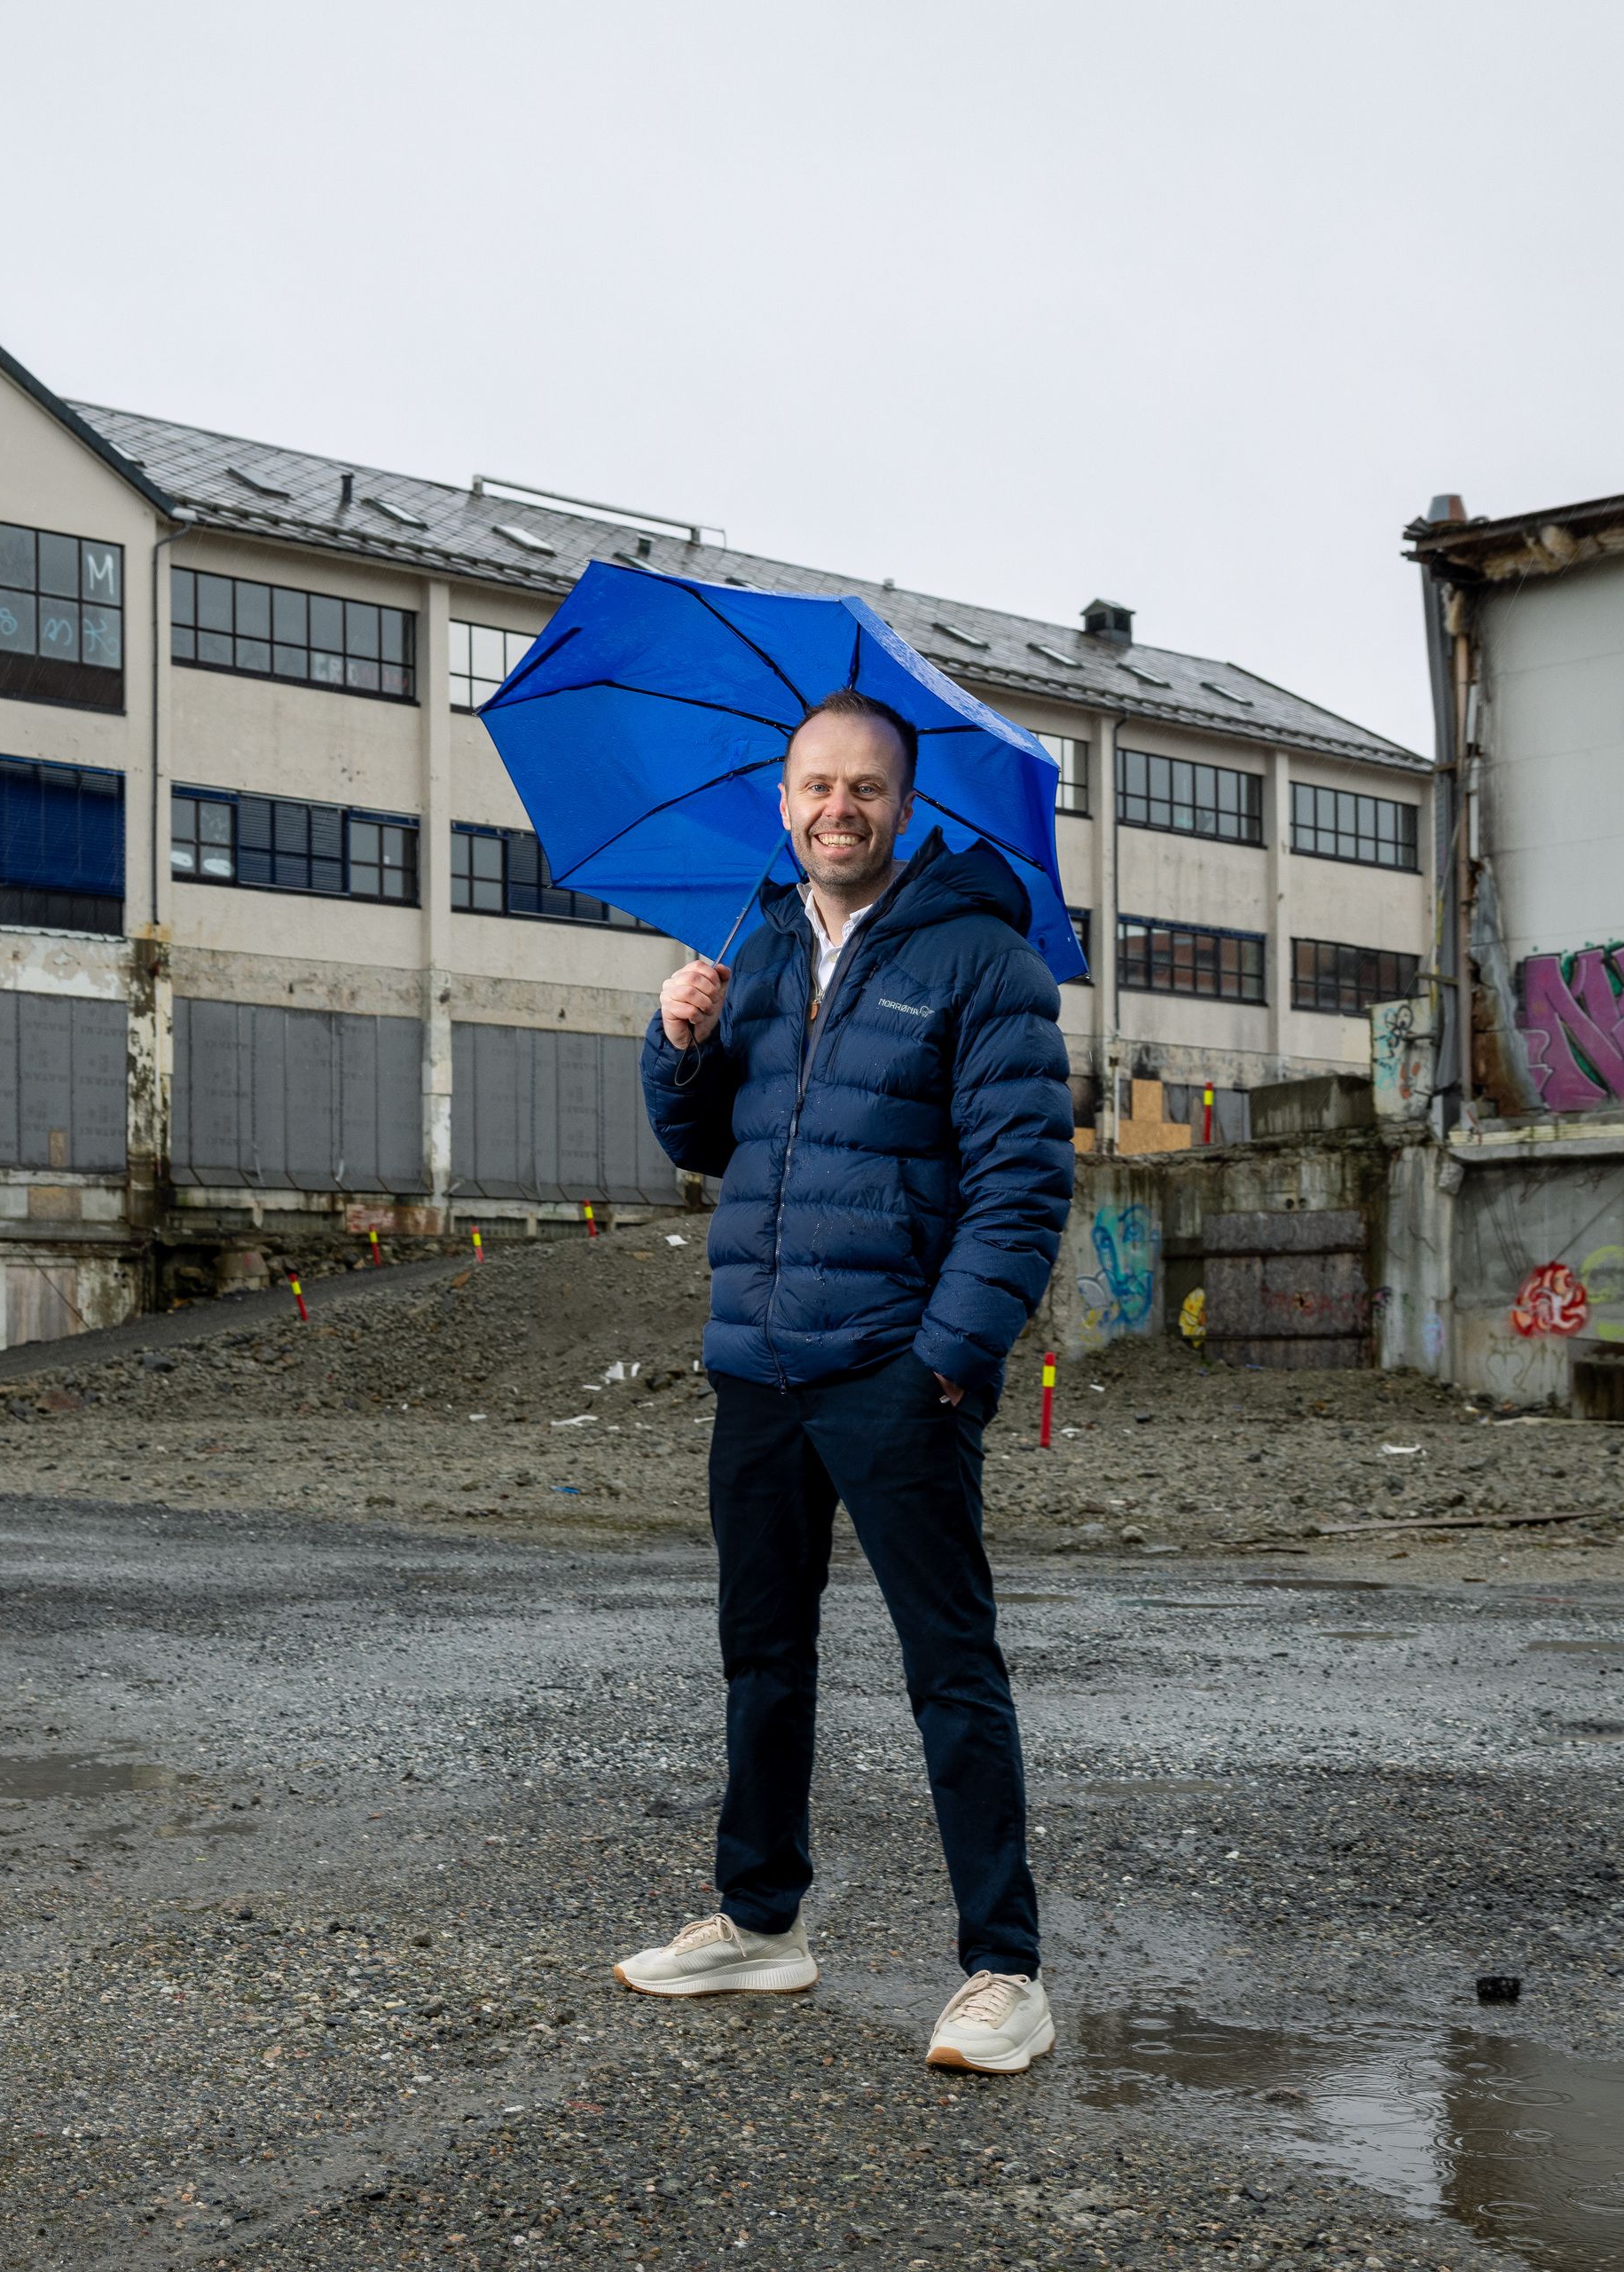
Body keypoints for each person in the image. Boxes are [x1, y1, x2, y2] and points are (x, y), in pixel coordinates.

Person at [612, 687, 1076, 2075]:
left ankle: (1005, 1969)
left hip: (894, 1369)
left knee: (950, 1666)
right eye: (817, 785)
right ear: (785, 799)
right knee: (763, 1653)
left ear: (906, 803)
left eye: (865, 787)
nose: (838, 808)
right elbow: (705, 1140)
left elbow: (1024, 1180)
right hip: (759, 1364)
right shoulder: (754, 945)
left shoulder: (981, 959)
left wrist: (948, 1357)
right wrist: (675, 1041)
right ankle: (763, 1921)